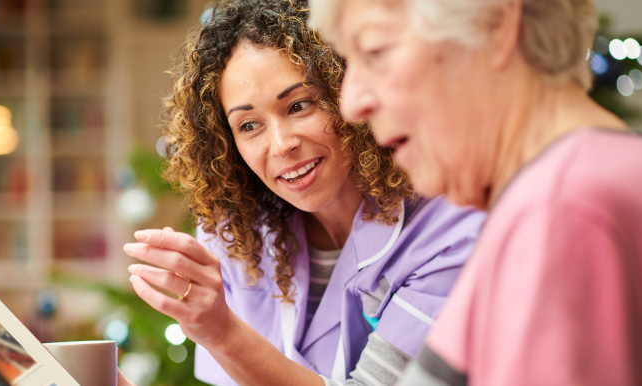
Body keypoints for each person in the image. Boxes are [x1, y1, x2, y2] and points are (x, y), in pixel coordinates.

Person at [119, 1, 486, 385]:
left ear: (348, 89)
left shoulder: (449, 230)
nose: (280, 145)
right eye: (248, 126)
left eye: (299, 105)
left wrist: (223, 332)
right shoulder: (235, 236)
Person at [310, 0, 642, 385]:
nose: (351, 104)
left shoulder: (561, 208)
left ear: (495, 25)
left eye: (376, 51)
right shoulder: (594, 177)